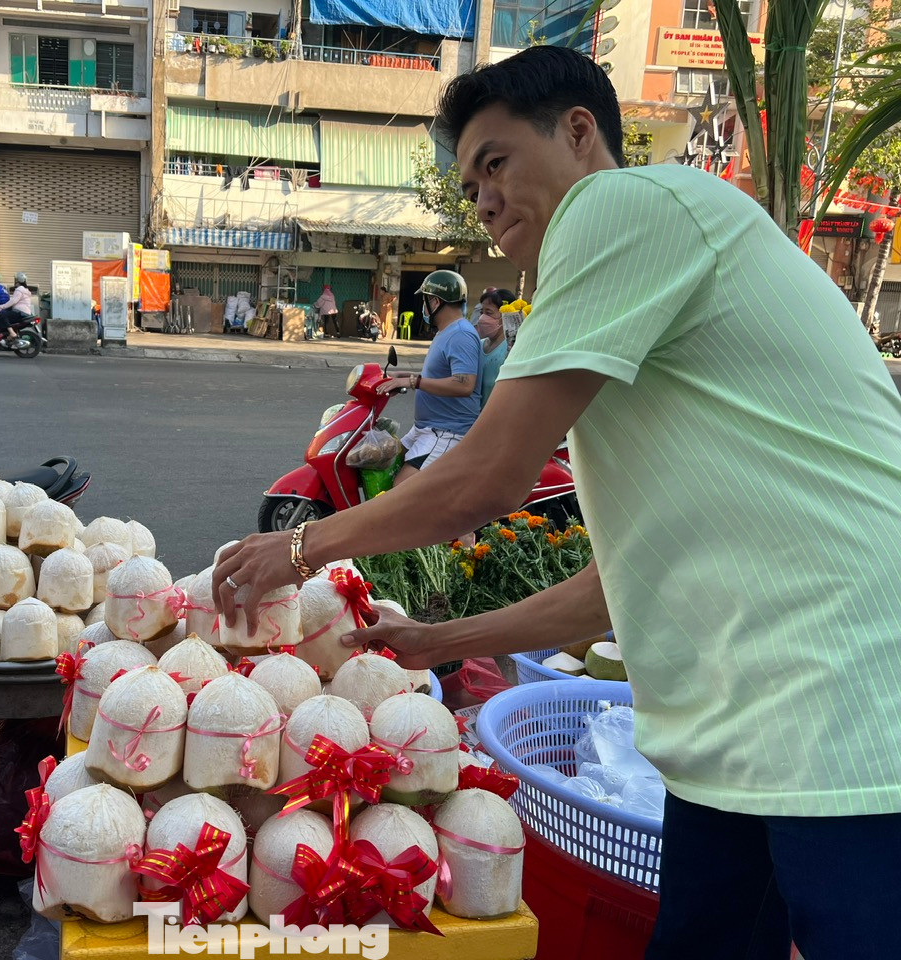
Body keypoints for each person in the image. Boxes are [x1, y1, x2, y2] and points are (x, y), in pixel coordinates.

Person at [212, 45, 901, 960]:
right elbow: (622, 584)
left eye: (495, 163)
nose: (485, 200)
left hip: (847, 711)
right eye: (471, 185)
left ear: (580, 133)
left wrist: (299, 552)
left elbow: (487, 475)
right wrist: (440, 643)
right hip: (746, 734)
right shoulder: (627, 293)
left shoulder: (625, 205)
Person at [375, 269, 483, 486]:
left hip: (446, 432)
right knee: (380, 462)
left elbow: (464, 384)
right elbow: (439, 375)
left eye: (424, 300)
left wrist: (413, 382)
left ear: (434, 301)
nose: (423, 306)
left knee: (401, 488)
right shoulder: (446, 332)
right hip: (427, 428)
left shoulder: (460, 334)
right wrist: (402, 376)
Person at [475, 287, 512, 407]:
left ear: (505, 316)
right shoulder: (479, 344)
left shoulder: (511, 349)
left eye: (488, 313)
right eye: (482, 312)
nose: (482, 318)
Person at [0, 271, 34, 342]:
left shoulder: (19, 289)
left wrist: (1, 307)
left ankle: (12, 333)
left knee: (2, 314)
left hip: (19, 312)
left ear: (17, 280)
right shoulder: (25, 290)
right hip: (25, 312)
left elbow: (13, 301)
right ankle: (6, 335)